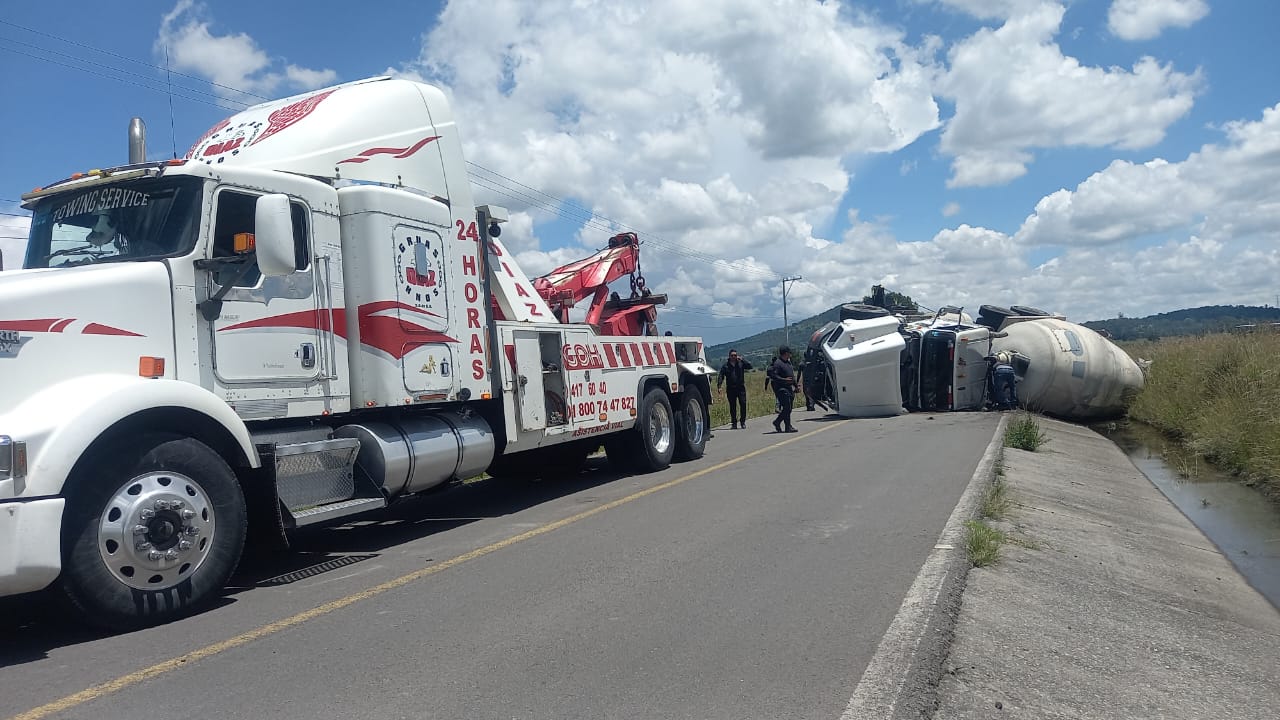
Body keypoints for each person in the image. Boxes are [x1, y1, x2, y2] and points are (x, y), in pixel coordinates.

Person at [716, 349, 753, 429]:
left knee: (743, 404)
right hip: (731, 389)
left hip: (741, 388)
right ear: (729, 356)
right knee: (732, 407)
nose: (734, 357)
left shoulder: (741, 363)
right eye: (732, 355)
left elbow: (750, 366)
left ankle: (742, 422)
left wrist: (743, 360)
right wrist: (719, 386)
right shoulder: (725, 366)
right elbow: (721, 376)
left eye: (735, 355)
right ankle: (734, 423)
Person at [769, 346, 798, 433]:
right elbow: (774, 376)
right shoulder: (778, 363)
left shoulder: (788, 363)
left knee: (789, 409)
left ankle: (778, 422)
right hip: (781, 388)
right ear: (785, 353)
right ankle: (787, 426)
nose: (790, 354)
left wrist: (796, 386)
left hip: (789, 387)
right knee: (786, 407)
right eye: (789, 352)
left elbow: (791, 376)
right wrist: (784, 380)